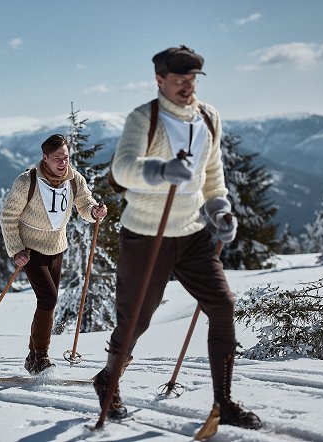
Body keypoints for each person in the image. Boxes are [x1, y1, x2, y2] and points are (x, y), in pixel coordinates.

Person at [93, 45, 261, 430]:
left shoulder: (208, 116)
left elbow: (212, 170)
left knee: (222, 305)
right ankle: (108, 381)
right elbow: (122, 168)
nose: (188, 86)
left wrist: (219, 207)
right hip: (146, 234)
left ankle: (224, 402)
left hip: (192, 233)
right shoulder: (144, 118)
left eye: (193, 79)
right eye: (180, 79)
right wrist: (159, 171)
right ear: (159, 80)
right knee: (136, 321)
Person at [0, 134, 108, 374]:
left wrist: (95, 212)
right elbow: (8, 218)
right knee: (49, 298)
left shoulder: (74, 180)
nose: (63, 163)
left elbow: (85, 205)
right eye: (57, 158)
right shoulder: (26, 182)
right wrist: (15, 249)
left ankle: (32, 355)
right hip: (30, 249)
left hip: (57, 247)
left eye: (66, 158)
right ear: (45, 158)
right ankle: (41, 356)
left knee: (47, 303)